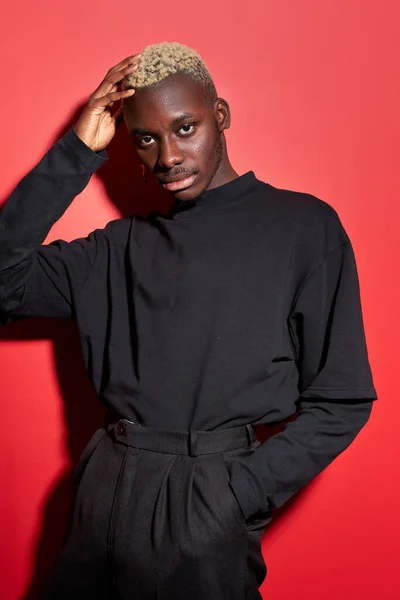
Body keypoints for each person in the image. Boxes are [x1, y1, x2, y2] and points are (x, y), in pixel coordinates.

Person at [0, 41, 378, 599]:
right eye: (145, 139)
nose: (168, 157)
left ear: (219, 116)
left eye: (184, 128)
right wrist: (78, 150)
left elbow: (342, 398)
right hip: (106, 486)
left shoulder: (304, 228)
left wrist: (238, 494)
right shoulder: (117, 248)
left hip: (209, 494)